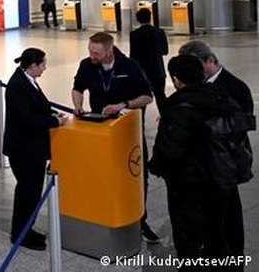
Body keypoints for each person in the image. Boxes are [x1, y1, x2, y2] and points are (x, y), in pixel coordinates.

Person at [71, 32, 157, 242]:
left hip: (128, 132)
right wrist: (78, 105)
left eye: (96, 53)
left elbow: (147, 96)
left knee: (136, 173)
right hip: (100, 130)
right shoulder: (86, 65)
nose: (92, 55)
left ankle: (139, 218)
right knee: (101, 173)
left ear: (109, 51)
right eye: (90, 51)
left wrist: (123, 105)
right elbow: (77, 87)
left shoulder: (130, 67)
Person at [148, 55, 235, 263]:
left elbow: (170, 151)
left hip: (187, 186)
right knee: (216, 236)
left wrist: (155, 166)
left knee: (188, 243)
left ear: (177, 80)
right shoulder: (220, 96)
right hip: (220, 179)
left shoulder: (177, 107)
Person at [177, 40, 252, 263]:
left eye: (196, 66)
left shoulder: (236, 88)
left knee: (229, 221)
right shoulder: (195, 86)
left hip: (224, 167)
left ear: (210, 61)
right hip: (201, 170)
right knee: (207, 222)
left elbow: (240, 127)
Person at [3, 48, 69, 250]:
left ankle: (27, 228)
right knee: (27, 191)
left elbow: (37, 106)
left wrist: (51, 112)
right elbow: (26, 119)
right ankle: (20, 233)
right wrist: (53, 121)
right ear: (32, 66)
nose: (45, 68)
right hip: (23, 150)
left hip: (33, 148)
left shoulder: (28, 81)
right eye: (42, 64)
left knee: (32, 192)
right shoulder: (17, 86)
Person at [130, 8, 169, 113]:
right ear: (150, 17)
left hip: (142, 72)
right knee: (160, 97)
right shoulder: (160, 32)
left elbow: (133, 56)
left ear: (138, 20)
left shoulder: (134, 34)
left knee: (141, 100)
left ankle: (140, 125)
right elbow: (165, 51)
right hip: (158, 71)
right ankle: (166, 120)